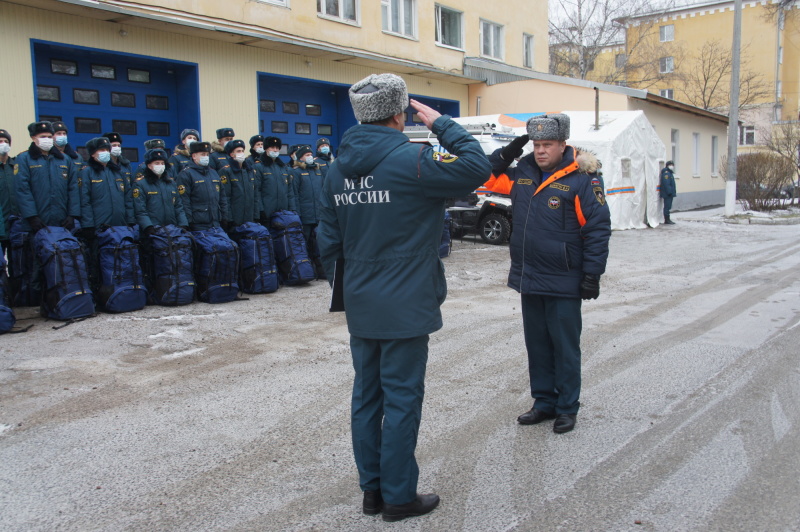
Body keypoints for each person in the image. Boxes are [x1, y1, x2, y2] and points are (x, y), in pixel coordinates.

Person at [317, 73, 491, 522]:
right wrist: (441, 124)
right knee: (401, 401)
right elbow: (477, 169)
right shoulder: (413, 160)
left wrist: (350, 289)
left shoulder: (335, 170)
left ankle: (371, 491)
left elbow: (327, 241)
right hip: (408, 302)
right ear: (399, 113)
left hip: (361, 301)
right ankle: (398, 496)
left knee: (366, 398)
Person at [483, 113, 611, 434]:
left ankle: (567, 407)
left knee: (565, 346)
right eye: (536, 144)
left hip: (565, 278)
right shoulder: (522, 172)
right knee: (537, 344)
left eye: (547, 145)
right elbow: (483, 175)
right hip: (530, 277)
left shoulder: (583, 177)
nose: (540, 151)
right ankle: (543, 402)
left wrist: (592, 274)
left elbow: (597, 228)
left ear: (562, 144)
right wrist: (509, 151)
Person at [15, 121, 81, 305]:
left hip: (62, 223)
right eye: (42, 137)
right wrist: (32, 217)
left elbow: (73, 189)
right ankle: (44, 301)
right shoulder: (24, 159)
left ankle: (65, 298)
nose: (47, 140)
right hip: (38, 223)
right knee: (39, 264)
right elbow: (22, 190)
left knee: (64, 261)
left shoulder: (64, 160)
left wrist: (72, 215)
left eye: (49, 136)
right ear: (33, 138)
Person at [79, 136, 134, 288]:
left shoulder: (117, 172)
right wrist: (88, 225)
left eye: (107, 150)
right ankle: (102, 291)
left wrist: (130, 220)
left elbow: (128, 198)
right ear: (92, 154)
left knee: (122, 261)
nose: (105, 153)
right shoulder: (87, 173)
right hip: (99, 228)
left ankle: (123, 289)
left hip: (120, 226)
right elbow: (84, 201)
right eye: (101, 150)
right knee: (99, 262)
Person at [176, 141, 230, 231]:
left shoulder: (213, 172)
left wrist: (224, 217)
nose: (205, 157)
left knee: (229, 245)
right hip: (198, 224)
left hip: (215, 222)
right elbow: (184, 201)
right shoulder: (186, 174)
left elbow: (222, 197)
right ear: (194, 156)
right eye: (202, 154)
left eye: (207, 154)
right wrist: (189, 222)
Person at [217, 139, 260, 227]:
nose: (241, 153)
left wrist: (256, 215)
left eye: (242, 151)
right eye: (238, 151)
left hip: (249, 217)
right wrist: (228, 218)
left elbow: (255, 194)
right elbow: (225, 197)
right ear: (231, 154)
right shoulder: (226, 171)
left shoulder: (249, 170)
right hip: (235, 217)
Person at [291, 145, 324, 242]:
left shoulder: (317, 171)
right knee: (305, 239)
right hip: (305, 215)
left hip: (318, 214)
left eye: (311, 154)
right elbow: (294, 194)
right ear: (301, 157)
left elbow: (323, 191)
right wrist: (297, 212)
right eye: (307, 155)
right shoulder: (296, 172)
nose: (310, 157)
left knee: (319, 239)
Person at [257, 136, 295, 222]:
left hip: (283, 213)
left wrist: (292, 209)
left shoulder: (283, 168)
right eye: (272, 147)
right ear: (266, 149)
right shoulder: (259, 167)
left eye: (277, 148)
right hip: (267, 213)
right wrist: (260, 210)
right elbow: (257, 191)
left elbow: (289, 191)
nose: (275, 150)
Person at [0, 128, 18, 255]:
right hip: (1, 224)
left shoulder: (16, 166)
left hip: (16, 226)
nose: (3, 144)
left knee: (18, 263)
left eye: (6, 141)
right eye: (0, 141)